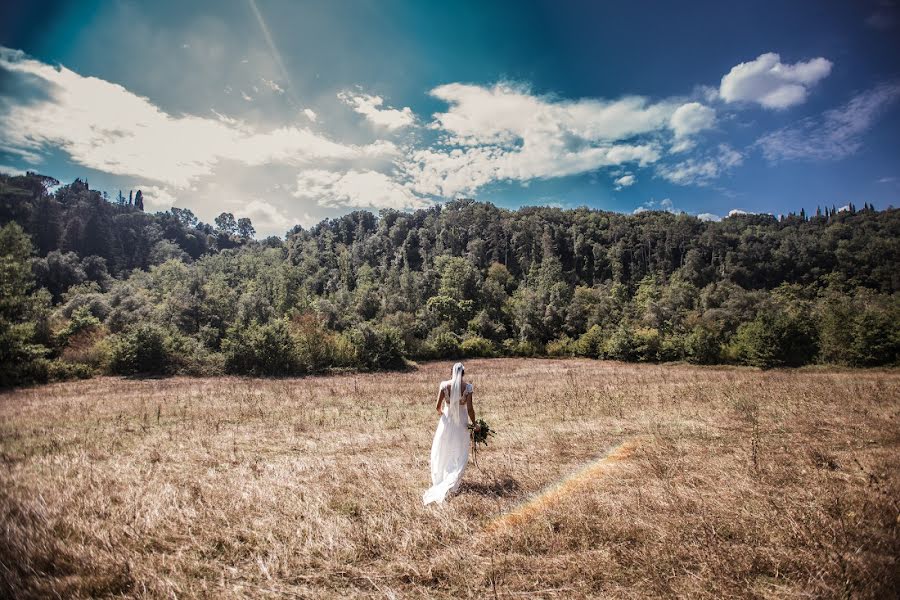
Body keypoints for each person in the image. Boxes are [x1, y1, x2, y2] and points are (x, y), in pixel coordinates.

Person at [422, 362, 480, 505]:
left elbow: (437, 407)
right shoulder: (468, 387)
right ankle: (453, 479)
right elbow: (470, 409)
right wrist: (475, 423)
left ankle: (441, 477)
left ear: (452, 372)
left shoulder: (444, 385)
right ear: (463, 373)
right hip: (461, 424)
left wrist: (445, 414)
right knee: (459, 450)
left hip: (446, 423)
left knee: (444, 449)